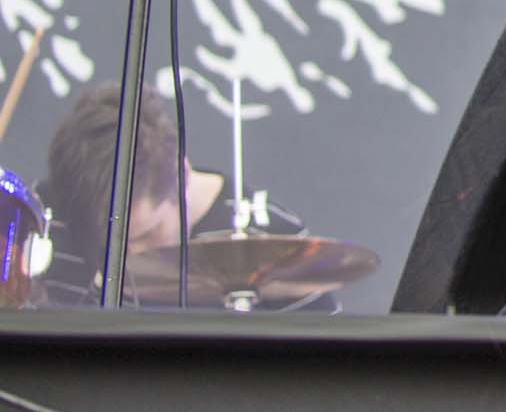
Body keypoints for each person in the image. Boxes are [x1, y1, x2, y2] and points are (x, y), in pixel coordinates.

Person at [41, 84, 310, 299]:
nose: (127, 257)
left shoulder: (271, 239)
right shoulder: (49, 215)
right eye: (108, 242)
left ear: (181, 177)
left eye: (146, 234)